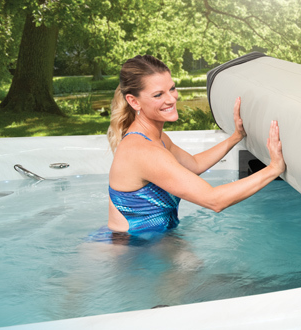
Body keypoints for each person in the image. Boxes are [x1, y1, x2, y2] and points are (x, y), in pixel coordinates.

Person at [106, 55, 285, 235]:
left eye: (172, 89)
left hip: (153, 240)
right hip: (132, 248)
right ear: (134, 101)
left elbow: (194, 165)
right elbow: (215, 200)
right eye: (158, 95)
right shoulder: (144, 151)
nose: (171, 99)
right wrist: (273, 169)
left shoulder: (154, 138)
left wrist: (235, 137)